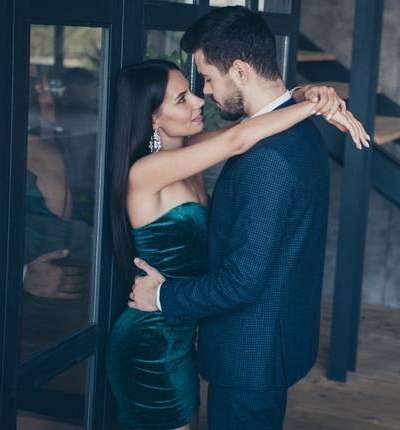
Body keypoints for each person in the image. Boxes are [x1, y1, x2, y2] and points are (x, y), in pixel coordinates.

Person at [110, 46, 367, 430]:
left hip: (183, 330)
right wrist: (316, 108)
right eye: (182, 99)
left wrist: (305, 93)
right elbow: (240, 140)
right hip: (152, 336)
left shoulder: (192, 151)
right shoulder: (145, 172)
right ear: (152, 118)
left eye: (195, 88)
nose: (200, 100)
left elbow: (250, 127)